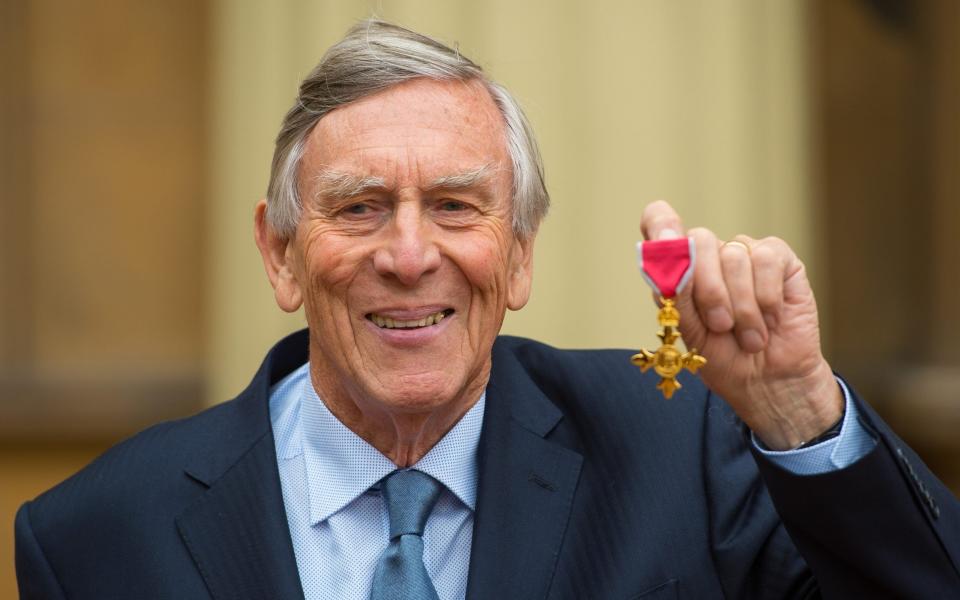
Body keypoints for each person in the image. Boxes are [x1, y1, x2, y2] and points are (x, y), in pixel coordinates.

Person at [15, 19, 960, 600]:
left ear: (517, 255)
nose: (411, 254)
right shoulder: (98, 533)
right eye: (359, 208)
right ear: (281, 254)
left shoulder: (685, 447)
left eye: (458, 206)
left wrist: (799, 413)